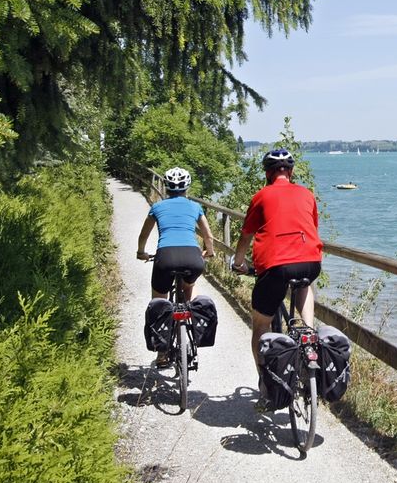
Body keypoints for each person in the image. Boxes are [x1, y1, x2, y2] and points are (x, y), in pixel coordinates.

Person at [231, 148, 323, 393]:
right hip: (310, 261)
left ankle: (266, 385)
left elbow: (246, 235)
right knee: (305, 284)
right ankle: (308, 334)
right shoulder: (307, 194)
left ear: (268, 173)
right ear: (291, 172)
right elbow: (312, 227)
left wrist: (239, 262)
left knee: (260, 326)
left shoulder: (261, 196)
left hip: (275, 266)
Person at [137, 166, 215, 365]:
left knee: (159, 299)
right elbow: (208, 235)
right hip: (192, 257)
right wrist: (210, 252)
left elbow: (143, 235)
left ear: (167, 187)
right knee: (189, 285)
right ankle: (192, 316)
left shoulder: (157, 207)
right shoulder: (195, 207)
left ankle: (162, 353)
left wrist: (141, 252)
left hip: (166, 257)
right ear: (186, 188)